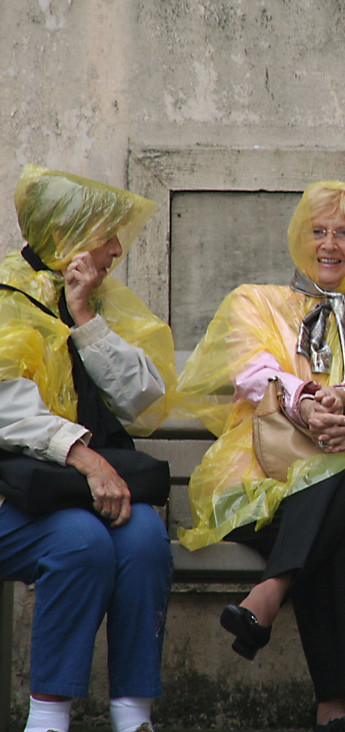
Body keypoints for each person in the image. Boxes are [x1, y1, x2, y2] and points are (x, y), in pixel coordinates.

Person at [176, 179, 345, 732]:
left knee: (340, 469)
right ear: (300, 238)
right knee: (334, 550)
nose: (329, 244)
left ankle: (269, 593)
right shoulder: (255, 301)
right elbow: (251, 371)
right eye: (318, 231)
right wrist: (302, 402)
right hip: (259, 478)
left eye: (344, 232)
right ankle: (334, 709)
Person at [0, 165, 177, 732]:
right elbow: (8, 409)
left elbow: (143, 402)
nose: (116, 250)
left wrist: (83, 319)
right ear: (68, 234)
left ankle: (134, 716)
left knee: (146, 537)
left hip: (67, 491)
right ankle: (48, 718)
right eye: (105, 235)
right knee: (80, 544)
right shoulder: (5, 297)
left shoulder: (98, 300)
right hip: (12, 497)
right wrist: (85, 456)